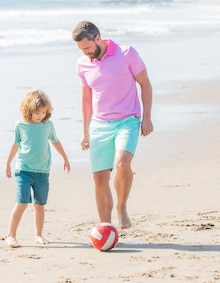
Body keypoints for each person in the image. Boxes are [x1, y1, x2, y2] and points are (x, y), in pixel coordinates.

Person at [72, 21, 153, 229]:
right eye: (81, 49)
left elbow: (145, 84)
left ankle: (122, 206)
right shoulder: (82, 64)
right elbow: (86, 99)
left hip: (128, 120)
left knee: (122, 163)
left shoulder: (127, 53)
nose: (86, 53)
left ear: (98, 38)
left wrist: (147, 117)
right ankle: (105, 228)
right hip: (100, 124)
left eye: (87, 48)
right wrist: (85, 132)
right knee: (99, 178)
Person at [4, 90, 71, 248]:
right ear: (28, 110)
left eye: (43, 112)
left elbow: (55, 141)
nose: (40, 115)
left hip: (42, 172)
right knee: (21, 203)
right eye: (36, 112)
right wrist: (7, 163)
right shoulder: (21, 125)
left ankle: (38, 235)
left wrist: (65, 158)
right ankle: (11, 235)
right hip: (24, 170)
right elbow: (15, 145)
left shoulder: (47, 125)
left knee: (39, 205)